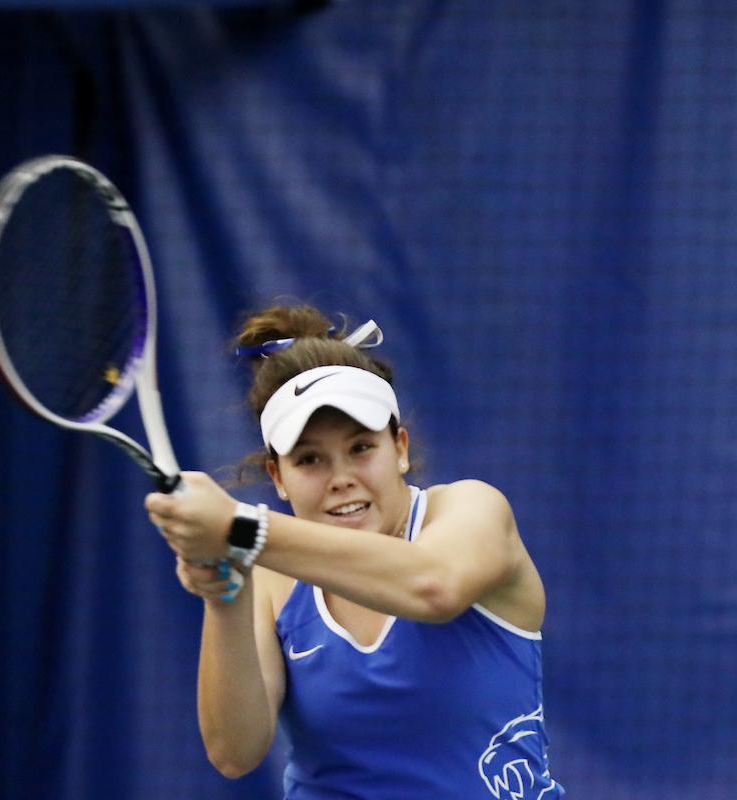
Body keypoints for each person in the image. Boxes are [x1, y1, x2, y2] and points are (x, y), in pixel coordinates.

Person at [145, 304, 564, 800]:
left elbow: (433, 586)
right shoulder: (272, 577)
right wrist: (223, 597)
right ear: (278, 477)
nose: (341, 478)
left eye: (361, 448)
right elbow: (234, 753)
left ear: (400, 448)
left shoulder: (473, 509)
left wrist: (240, 528)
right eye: (310, 459)